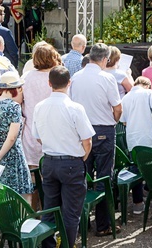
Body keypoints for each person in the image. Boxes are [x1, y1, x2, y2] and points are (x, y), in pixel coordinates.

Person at [32, 66, 95, 248]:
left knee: (49, 209)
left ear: (49, 83)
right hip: (71, 162)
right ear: (69, 83)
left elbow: (37, 136)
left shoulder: (39, 106)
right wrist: (82, 157)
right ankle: (66, 245)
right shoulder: (75, 108)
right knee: (71, 211)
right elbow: (87, 140)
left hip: (50, 161)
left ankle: (48, 245)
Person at [70, 43, 122, 237]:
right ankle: (103, 224)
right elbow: (118, 108)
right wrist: (113, 122)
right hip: (103, 130)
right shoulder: (107, 78)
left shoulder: (75, 77)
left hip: (82, 131)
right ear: (105, 59)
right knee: (104, 178)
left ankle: (83, 223)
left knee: (83, 177)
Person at [120, 76, 152, 215]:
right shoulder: (148, 93)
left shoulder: (125, 98)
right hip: (149, 139)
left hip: (132, 140)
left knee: (136, 169)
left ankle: (138, 203)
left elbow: (124, 122)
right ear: (148, 85)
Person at [21, 41, 61, 210]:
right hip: (54, 133)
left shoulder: (26, 78)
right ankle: (51, 214)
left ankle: (34, 213)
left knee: (33, 180)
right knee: (52, 181)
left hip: (31, 132)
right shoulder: (57, 76)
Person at [0, 72, 33, 201]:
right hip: (12, 155)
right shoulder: (13, 107)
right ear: (16, 89)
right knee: (21, 194)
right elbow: (12, 136)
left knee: (1, 193)